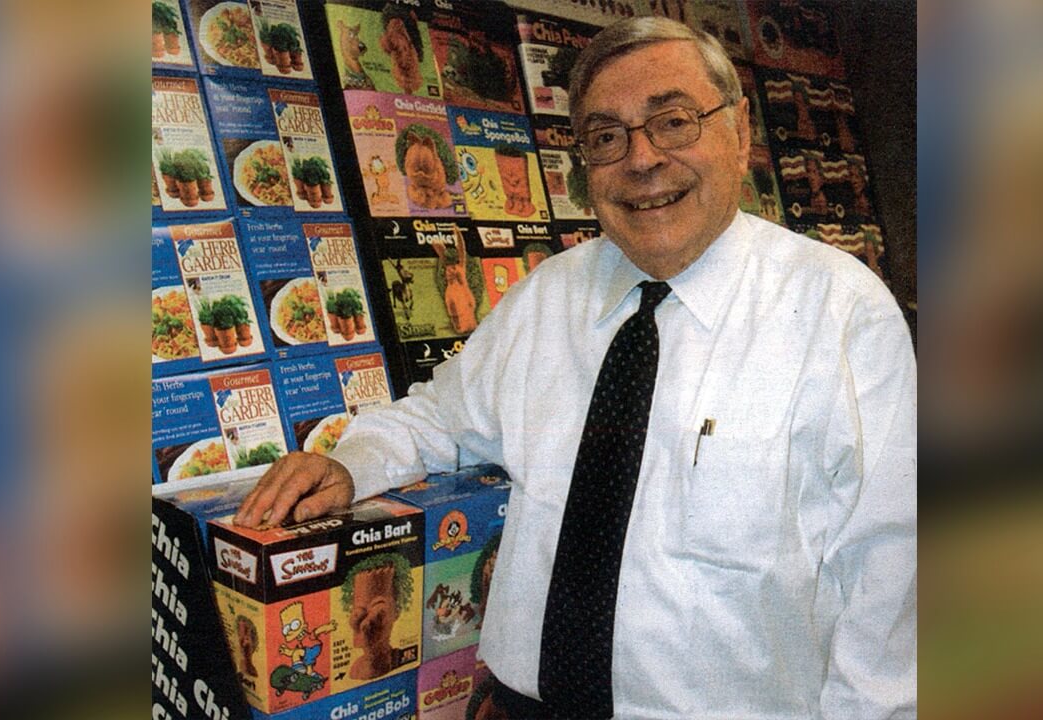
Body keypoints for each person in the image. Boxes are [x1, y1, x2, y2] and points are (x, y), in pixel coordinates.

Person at [235, 16, 916, 719]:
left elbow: (891, 570)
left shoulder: (839, 313)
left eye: (673, 121)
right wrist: (352, 463)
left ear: (740, 133)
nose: (642, 159)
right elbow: (438, 418)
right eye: (605, 136)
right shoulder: (547, 297)